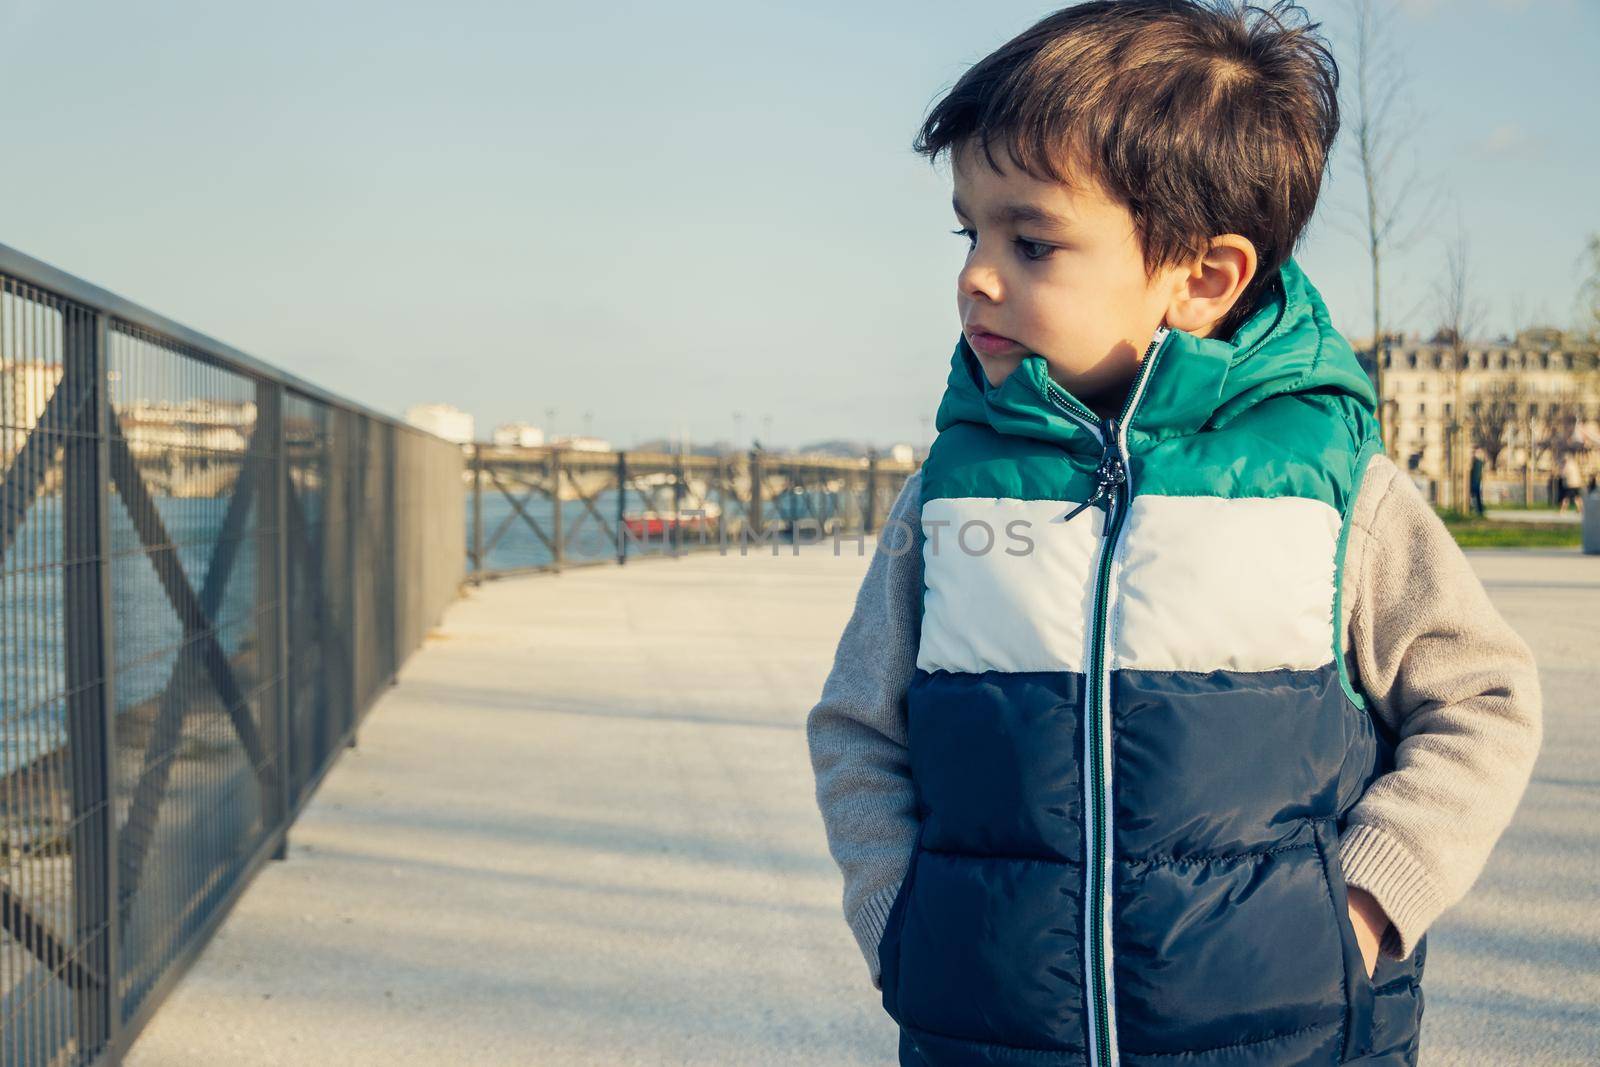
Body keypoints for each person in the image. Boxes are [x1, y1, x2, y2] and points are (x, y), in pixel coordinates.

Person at [804, 4, 1543, 1065]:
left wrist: (1371, 904)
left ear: (1201, 278)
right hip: (989, 1030)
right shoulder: (954, 493)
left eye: (1030, 238)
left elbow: (1481, 694)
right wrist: (898, 921)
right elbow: (858, 725)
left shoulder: (1328, 491)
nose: (976, 271)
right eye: (968, 231)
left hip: (1284, 1034)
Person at [1470, 447, 1487, 518]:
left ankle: (1479, 510)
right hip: (1475, 482)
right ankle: (1479, 510)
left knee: (1476, 497)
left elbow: (1475, 474)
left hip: (1475, 483)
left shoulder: (1477, 462)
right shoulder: (1477, 462)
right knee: (1477, 497)